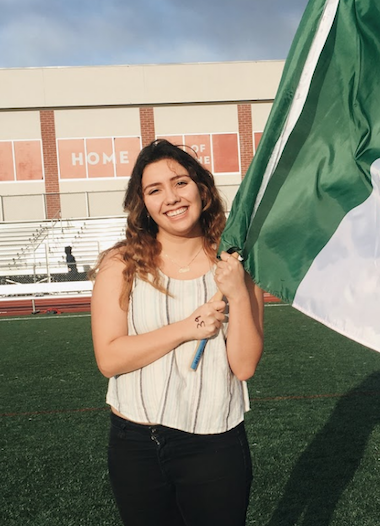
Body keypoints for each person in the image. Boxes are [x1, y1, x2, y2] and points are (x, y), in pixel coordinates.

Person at [91, 139, 264, 526]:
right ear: (144, 204)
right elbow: (110, 358)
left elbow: (245, 366)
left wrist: (237, 291)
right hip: (135, 444)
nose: (171, 197)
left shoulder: (235, 265)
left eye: (180, 183)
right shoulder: (121, 265)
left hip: (215, 442)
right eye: (155, 190)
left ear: (202, 189)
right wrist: (187, 328)